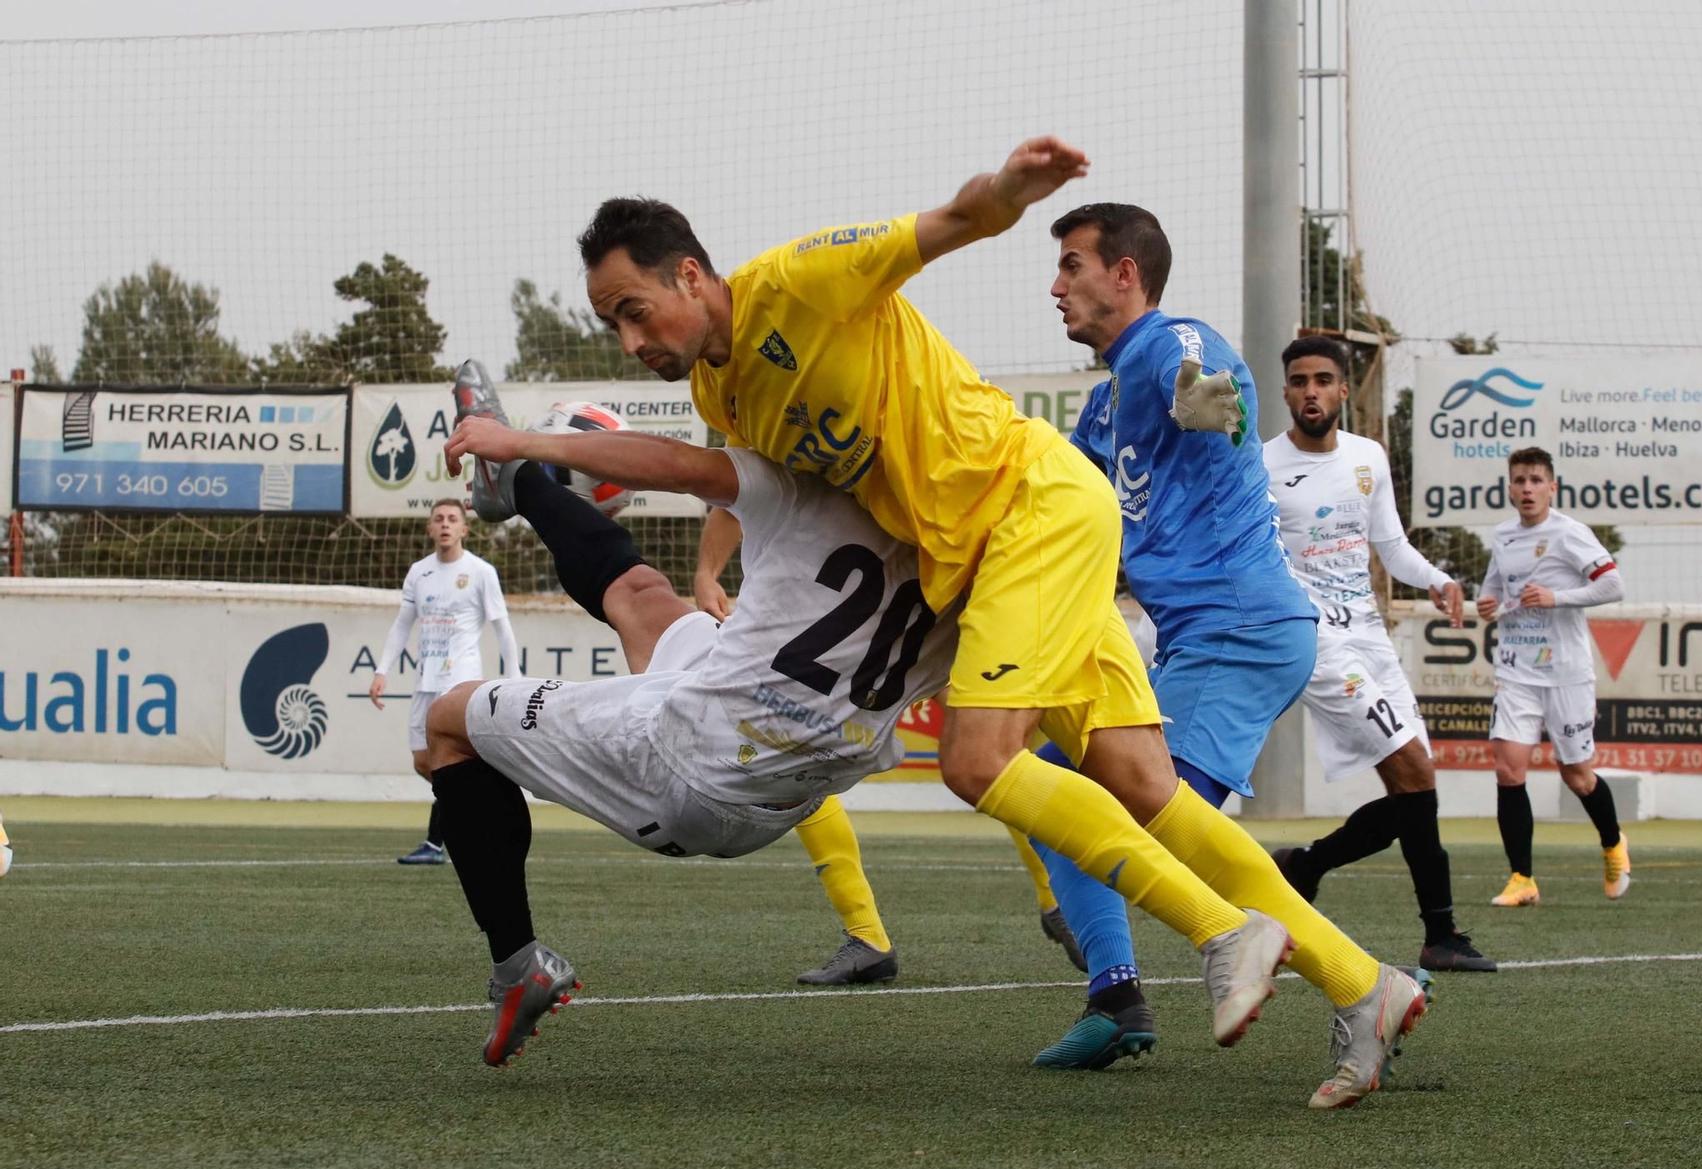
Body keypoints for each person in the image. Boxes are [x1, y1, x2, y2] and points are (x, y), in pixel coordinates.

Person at [446, 136, 1427, 1109]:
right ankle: (1360, 985)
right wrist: (709, 568)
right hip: (1011, 555)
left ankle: (1223, 936)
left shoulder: (803, 281)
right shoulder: (721, 385)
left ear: (691, 276)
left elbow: (954, 223)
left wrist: (1007, 191)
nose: (630, 342)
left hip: (1028, 522)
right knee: (1146, 790)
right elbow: (728, 481)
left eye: (633, 312)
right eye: (611, 326)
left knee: (978, 763)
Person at [440, 377, 1294, 1080]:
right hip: (789, 775)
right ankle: (517, 492)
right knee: (641, 601)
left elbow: (675, 464)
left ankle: (517, 965)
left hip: (686, 764)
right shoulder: (983, 566)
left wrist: (527, 439)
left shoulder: (807, 485)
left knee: (441, 725)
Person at [1015, 200, 1321, 1069]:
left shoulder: (1168, 341)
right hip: (1205, 637)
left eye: (1071, 265)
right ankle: (1116, 995)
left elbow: (1203, 384)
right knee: (1059, 793)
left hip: (1242, 627)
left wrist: (1203, 400)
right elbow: (1068, 513)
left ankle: (1354, 979)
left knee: (1123, 818)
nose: (1056, 285)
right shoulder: (1104, 412)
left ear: (1125, 274)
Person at [1261, 339, 1494, 974]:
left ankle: (1304, 867)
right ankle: (1440, 934)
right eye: (1299, 380)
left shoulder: (1367, 457)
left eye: (1324, 380)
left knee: (1414, 788)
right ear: (1285, 392)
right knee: (1415, 771)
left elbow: (1390, 547)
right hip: (1317, 640)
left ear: (1342, 391)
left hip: (1370, 635)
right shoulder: (1261, 466)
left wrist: (1439, 579)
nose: (1311, 390)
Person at [688, 501, 907, 988]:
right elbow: (733, 494)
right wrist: (706, 573)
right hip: (845, 622)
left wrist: (706, 573)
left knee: (985, 757)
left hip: (864, 618)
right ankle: (868, 937)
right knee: (792, 759)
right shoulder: (785, 441)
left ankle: (1061, 898)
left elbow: (730, 490)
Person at [1476, 446, 1632, 906]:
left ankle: (1613, 843)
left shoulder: (1569, 534)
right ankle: (1522, 878)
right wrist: (1486, 604)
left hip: (1565, 672)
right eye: (1519, 480)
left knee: (1577, 775)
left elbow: (1613, 585)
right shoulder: (1503, 536)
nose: (1527, 489)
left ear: (1552, 487)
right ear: (1509, 487)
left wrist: (1556, 597)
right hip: (1517, 670)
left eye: (1536, 480)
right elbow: (1494, 589)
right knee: (1508, 769)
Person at [368, 496, 519, 865]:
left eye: (453, 518)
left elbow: (502, 627)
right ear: (430, 528)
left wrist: (513, 677)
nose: (446, 524)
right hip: (426, 680)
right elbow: (403, 625)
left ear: (465, 528)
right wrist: (381, 669)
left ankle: (436, 844)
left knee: (447, 762)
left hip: (460, 680)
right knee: (423, 763)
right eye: (439, 519)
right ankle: (478, 805)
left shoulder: (481, 572)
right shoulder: (419, 572)